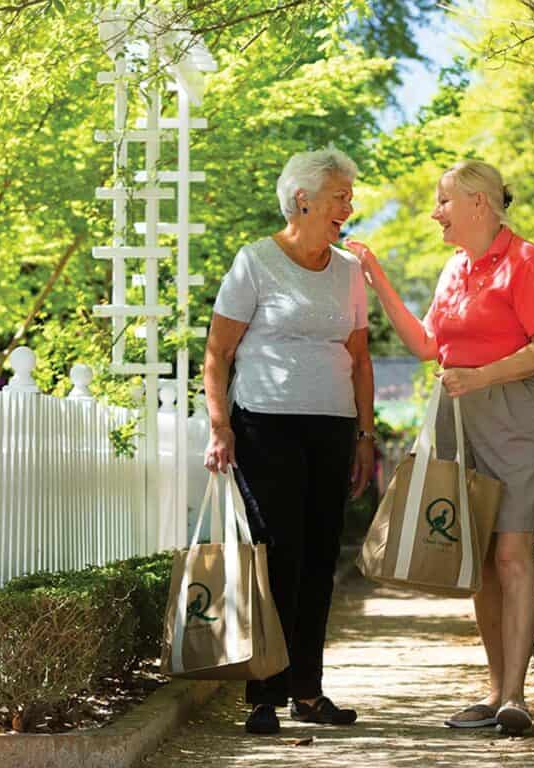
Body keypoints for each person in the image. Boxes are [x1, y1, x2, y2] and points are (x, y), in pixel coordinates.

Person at [345, 160, 534, 736]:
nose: (435, 212)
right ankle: (495, 694)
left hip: (517, 416)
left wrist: (484, 375)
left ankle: (516, 697)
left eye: (443, 201)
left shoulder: (525, 260)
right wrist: (376, 274)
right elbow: (425, 344)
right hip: (458, 418)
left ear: (478, 203)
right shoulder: (452, 269)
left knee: (513, 555)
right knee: (483, 564)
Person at [203, 148, 375, 736]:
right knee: (279, 555)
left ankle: (308, 691)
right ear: (302, 199)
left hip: (330, 426)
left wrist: (365, 434)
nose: (348, 207)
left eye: (349, 197)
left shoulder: (350, 271)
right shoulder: (255, 262)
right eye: (339, 196)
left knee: (321, 557)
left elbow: (358, 358)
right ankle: (264, 695)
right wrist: (220, 426)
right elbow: (218, 352)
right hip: (265, 424)